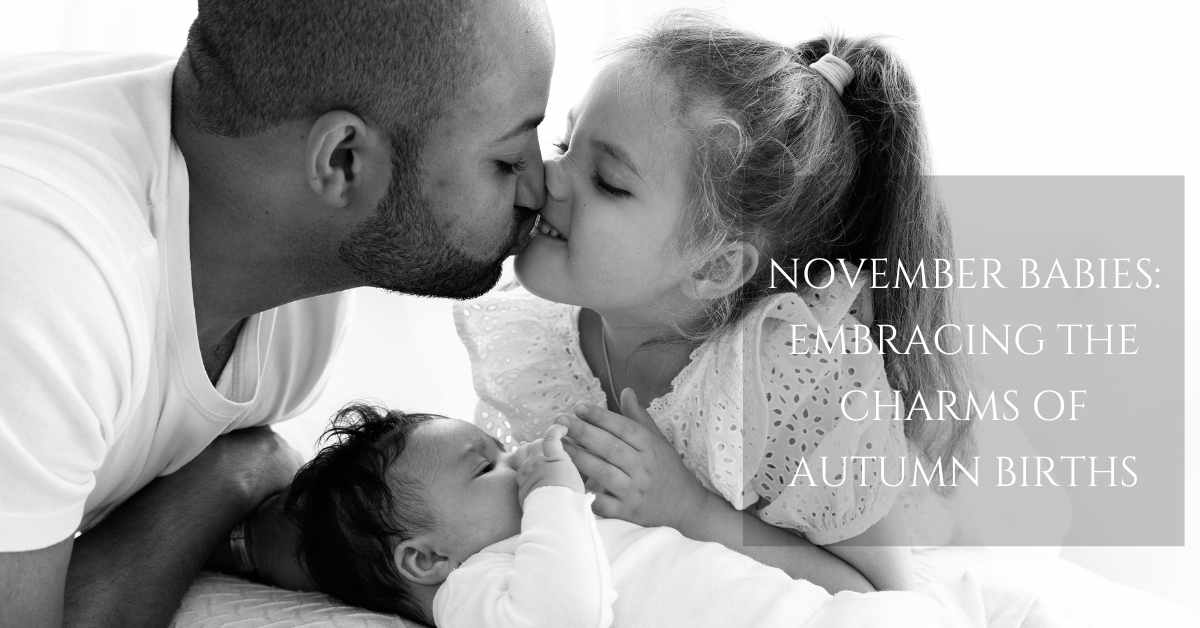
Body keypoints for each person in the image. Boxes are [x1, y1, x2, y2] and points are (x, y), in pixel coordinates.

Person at [0, 0, 553, 625]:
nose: (540, 188)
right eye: (507, 160)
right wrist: (236, 471)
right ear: (343, 160)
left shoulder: (293, 285)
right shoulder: (47, 282)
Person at [453, 13, 973, 594]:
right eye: (564, 144)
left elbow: (882, 592)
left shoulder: (784, 380)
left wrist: (689, 509)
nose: (551, 177)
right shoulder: (538, 343)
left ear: (714, 267)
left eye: (608, 181)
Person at [284, 404, 978, 628]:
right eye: (485, 464)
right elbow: (566, 613)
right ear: (424, 558)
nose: (519, 458)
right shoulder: (474, 590)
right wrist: (552, 490)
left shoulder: (537, 539)